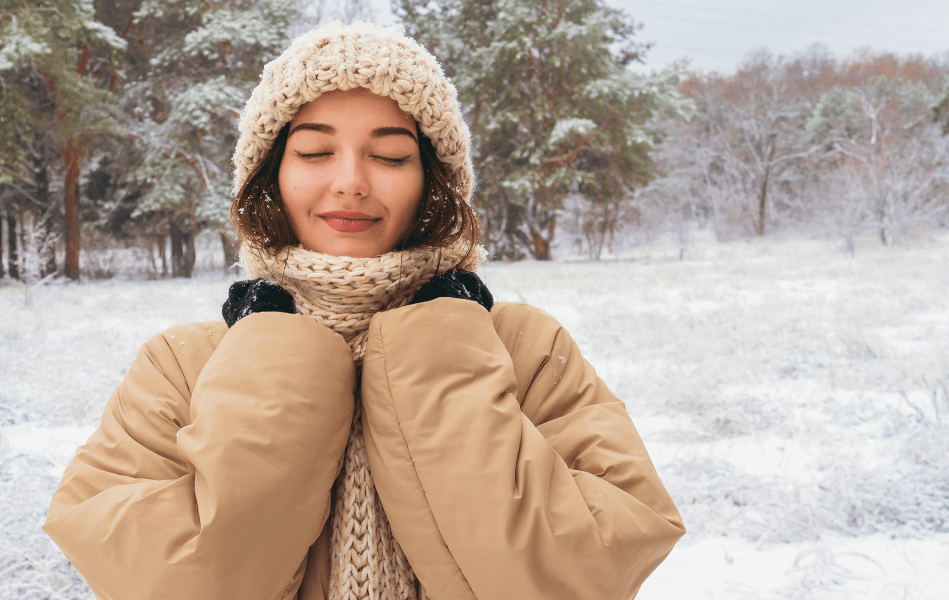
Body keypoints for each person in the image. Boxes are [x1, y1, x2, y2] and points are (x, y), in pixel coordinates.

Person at [43, 22, 684, 600]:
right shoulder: (183, 365)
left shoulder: (527, 349)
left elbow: (586, 575)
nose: (351, 179)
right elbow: (173, 583)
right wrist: (273, 354)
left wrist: (444, 358)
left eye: (390, 155)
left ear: (432, 181)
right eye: (316, 151)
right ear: (271, 175)